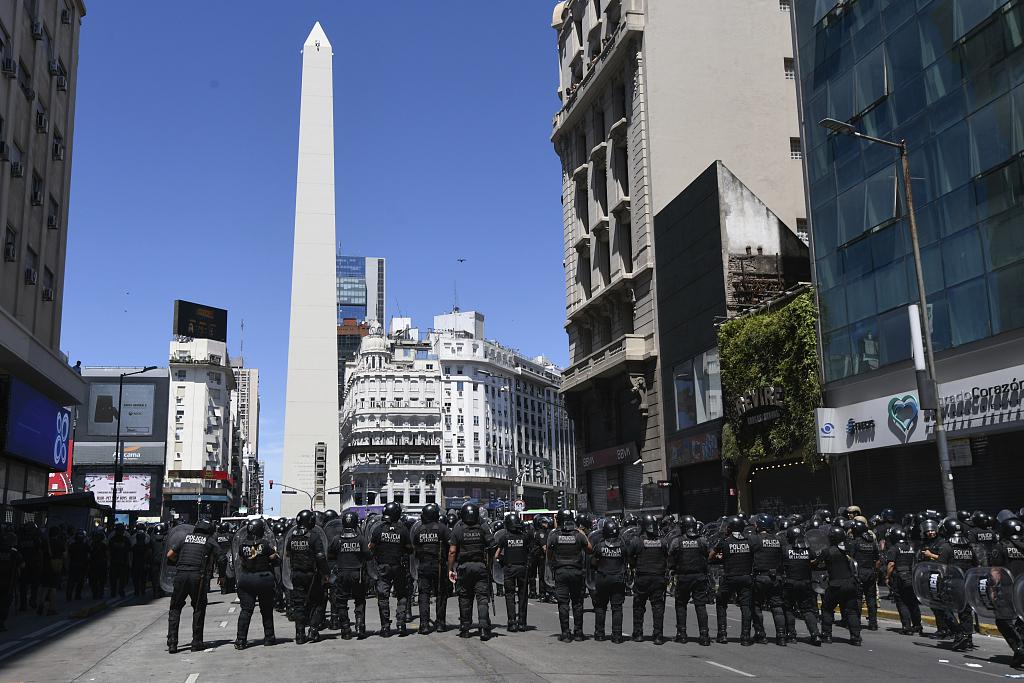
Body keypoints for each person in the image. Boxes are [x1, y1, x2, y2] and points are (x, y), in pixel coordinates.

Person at [165, 518, 220, 653]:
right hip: (198, 577)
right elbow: (222, 558)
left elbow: (169, 555)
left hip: (181, 575)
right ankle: (196, 642)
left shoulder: (185, 538)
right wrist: (223, 576)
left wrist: (179, 562)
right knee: (198, 608)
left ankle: (172, 643)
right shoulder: (209, 540)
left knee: (175, 608)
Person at [448, 502, 494, 641]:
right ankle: (484, 628)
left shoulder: (458, 528)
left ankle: (465, 628)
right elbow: (492, 546)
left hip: (464, 568)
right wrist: (489, 565)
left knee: (465, 598)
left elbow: (452, 551)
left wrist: (450, 569)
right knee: (482, 598)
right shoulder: (483, 527)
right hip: (480, 567)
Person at [545, 509, 591, 642]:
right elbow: (589, 549)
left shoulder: (554, 535)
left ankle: (565, 633)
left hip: (560, 572)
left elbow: (549, 553)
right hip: (576, 572)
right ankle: (578, 633)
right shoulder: (578, 534)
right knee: (577, 603)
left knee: (563, 603)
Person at [369, 502, 413, 638]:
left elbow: (371, 547)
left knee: (383, 597)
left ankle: (385, 627)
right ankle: (401, 623)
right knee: (402, 595)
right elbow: (410, 549)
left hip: (383, 567)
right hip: (399, 567)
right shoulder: (403, 530)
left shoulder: (378, 530)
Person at [286, 509, 330, 644]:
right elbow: (321, 557)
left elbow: (287, 555)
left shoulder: (292, 537)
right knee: (320, 600)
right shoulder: (314, 536)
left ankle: (299, 634)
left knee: (299, 604)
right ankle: (313, 629)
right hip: (312, 575)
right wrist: (326, 574)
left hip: (296, 574)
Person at [813, 525, 862, 646]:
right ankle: (856, 637)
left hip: (835, 585)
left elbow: (815, 564)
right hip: (850, 584)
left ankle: (827, 635)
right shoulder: (848, 549)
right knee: (851, 611)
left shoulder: (827, 551)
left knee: (827, 609)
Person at [234, 518, 278, 649]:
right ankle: (269, 637)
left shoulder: (243, 545)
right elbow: (273, 557)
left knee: (246, 611)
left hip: (246, 579)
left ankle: (241, 640)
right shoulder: (264, 544)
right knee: (266, 610)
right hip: (263, 579)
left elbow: (242, 560)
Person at [667, 515, 711, 646]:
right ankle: (704, 635)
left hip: (684, 577)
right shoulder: (702, 540)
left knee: (681, 605)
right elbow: (706, 554)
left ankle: (682, 634)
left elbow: (670, 557)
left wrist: (672, 569)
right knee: (700, 606)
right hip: (699, 577)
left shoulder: (677, 541)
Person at [710, 515, 754, 645]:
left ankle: (722, 634)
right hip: (746, 577)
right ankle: (746, 636)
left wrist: (719, 557)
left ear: (731, 528)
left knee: (721, 603)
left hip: (730, 578)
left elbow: (711, 556)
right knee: (746, 606)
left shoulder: (725, 541)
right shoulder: (749, 541)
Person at [627, 513, 668, 644]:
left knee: (639, 606)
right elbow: (668, 557)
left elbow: (629, 557)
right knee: (658, 607)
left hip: (642, 578)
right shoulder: (662, 541)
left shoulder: (637, 541)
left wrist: (634, 566)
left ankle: (638, 634)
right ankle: (658, 636)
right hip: (658, 578)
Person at [989, 517, 1024, 670]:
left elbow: (996, 571)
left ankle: (1019, 649)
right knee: (1021, 621)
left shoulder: (1000, 547)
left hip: (1008, 589)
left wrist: (993, 590)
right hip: (1023, 587)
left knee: (1002, 620)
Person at [330, 511, 369, 639]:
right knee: (359, 600)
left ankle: (345, 629)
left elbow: (330, 555)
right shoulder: (360, 539)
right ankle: (360, 626)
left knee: (341, 603)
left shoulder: (337, 539)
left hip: (341, 573)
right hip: (357, 574)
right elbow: (368, 556)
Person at [412, 503, 450, 634]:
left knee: (424, 595)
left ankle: (424, 624)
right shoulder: (443, 529)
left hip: (424, 566)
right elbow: (451, 546)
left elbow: (415, 548)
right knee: (441, 594)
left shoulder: (419, 530)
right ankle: (440, 623)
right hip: (439, 566)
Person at [749, 514, 786, 646]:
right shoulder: (779, 539)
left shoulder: (754, 539)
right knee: (777, 607)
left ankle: (760, 635)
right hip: (776, 578)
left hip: (760, 577)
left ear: (759, 526)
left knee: (756, 606)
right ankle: (781, 636)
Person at [781, 525, 821, 645]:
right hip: (805, 583)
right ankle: (815, 635)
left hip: (790, 583)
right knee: (807, 610)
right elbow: (815, 559)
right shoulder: (808, 550)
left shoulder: (785, 549)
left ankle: (791, 635)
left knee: (788, 609)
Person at [590, 518, 627, 643]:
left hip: (603, 579)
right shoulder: (622, 546)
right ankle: (617, 636)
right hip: (618, 579)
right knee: (617, 608)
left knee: (600, 607)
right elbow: (627, 560)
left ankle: (599, 634)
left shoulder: (599, 546)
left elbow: (593, 562)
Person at [494, 512, 530, 633]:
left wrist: (502, 560)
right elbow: (529, 552)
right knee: (523, 595)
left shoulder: (504, 538)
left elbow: (497, 555)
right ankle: (522, 622)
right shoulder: (525, 537)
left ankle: (512, 623)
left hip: (509, 569)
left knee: (510, 595)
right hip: (522, 569)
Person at [883, 527, 921, 636]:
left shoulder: (894, 549)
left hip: (899, 578)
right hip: (911, 577)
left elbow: (891, 564)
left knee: (901, 603)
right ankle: (917, 625)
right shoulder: (911, 547)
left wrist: (887, 577)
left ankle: (907, 627)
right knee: (913, 603)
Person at [848, 518, 881, 631]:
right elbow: (877, 559)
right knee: (871, 599)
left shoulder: (855, 542)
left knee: (857, 598)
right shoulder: (872, 542)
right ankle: (873, 623)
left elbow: (850, 559)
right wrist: (875, 572)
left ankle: (856, 622)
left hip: (859, 573)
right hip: (871, 572)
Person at [0, 533, 25, 631]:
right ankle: (1, 622)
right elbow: (22, 565)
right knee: (5, 603)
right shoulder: (14, 552)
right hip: (9, 582)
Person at [529, 516, 552, 602]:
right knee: (539, 575)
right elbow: (544, 548)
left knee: (537, 575)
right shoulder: (541, 533)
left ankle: (534, 591)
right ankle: (540, 593)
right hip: (538, 556)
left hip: (535, 556)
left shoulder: (542, 532)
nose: (546, 524)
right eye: (544, 522)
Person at [108, 523, 131, 598]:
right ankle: (116, 592)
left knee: (120, 579)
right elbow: (108, 551)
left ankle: (117, 592)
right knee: (116, 579)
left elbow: (129, 551)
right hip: (116, 562)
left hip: (121, 562)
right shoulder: (112, 539)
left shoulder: (125, 539)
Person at [66, 530, 89, 601]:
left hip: (74, 565)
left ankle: (70, 595)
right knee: (79, 581)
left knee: (72, 581)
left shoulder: (72, 545)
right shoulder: (85, 546)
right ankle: (77, 595)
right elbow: (89, 556)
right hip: (81, 565)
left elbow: (68, 555)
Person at [130, 526, 152, 597]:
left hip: (136, 564)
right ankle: (142, 591)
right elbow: (149, 555)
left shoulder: (134, 546)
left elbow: (131, 555)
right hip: (143, 564)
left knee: (136, 579)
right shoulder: (146, 546)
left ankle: (137, 591)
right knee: (143, 579)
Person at [213, 522, 235, 594]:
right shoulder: (231, 536)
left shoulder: (217, 537)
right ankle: (230, 588)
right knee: (231, 572)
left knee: (221, 573)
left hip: (219, 556)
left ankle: (223, 588)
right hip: (229, 556)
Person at [88, 528, 108, 599]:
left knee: (96, 580)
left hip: (97, 564)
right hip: (97, 564)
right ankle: (98, 593)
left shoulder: (102, 545)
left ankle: (97, 593)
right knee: (98, 580)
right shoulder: (92, 545)